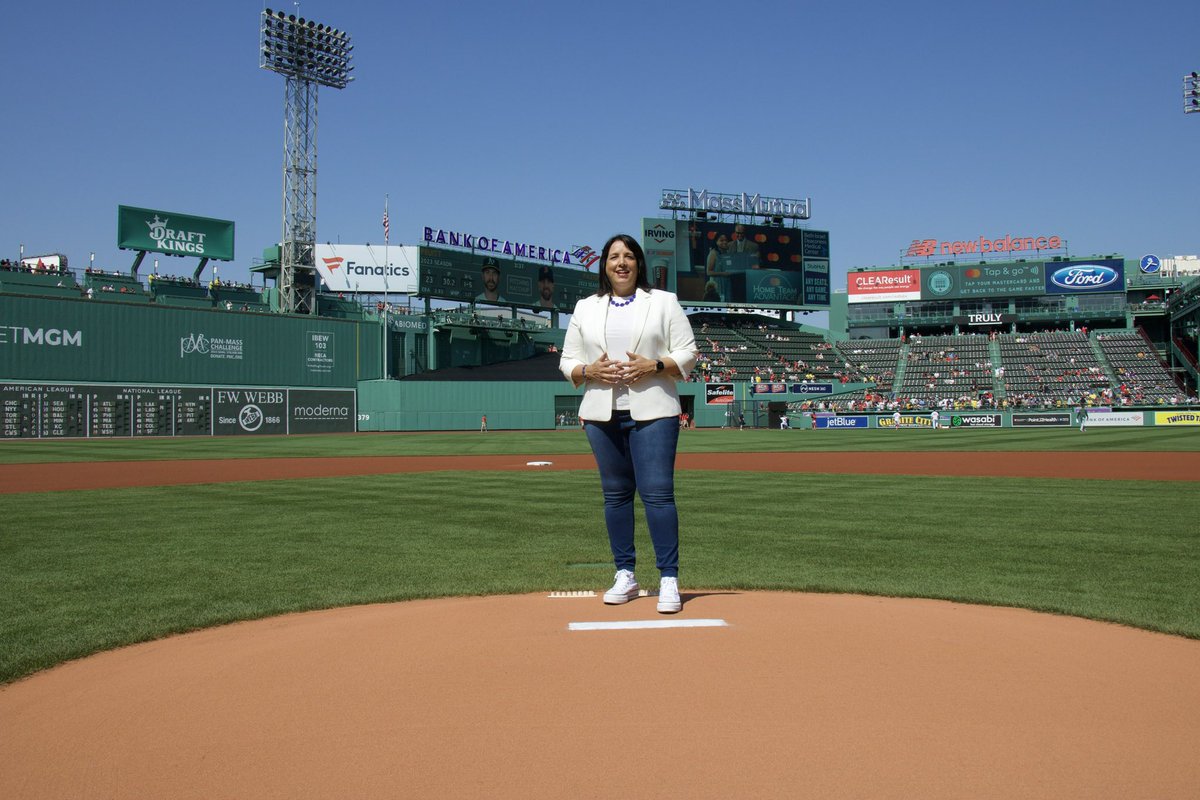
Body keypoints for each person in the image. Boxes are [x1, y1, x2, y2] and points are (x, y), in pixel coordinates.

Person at [559, 233, 697, 614]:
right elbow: (567, 360)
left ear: (639, 263)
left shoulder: (664, 302)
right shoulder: (586, 307)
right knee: (615, 496)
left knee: (657, 494)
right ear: (604, 265)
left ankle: (668, 577)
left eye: (629, 257)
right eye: (614, 257)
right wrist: (588, 370)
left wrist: (652, 365)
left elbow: (688, 352)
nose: (622, 263)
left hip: (653, 411)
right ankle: (625, 574)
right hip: (602, 412)